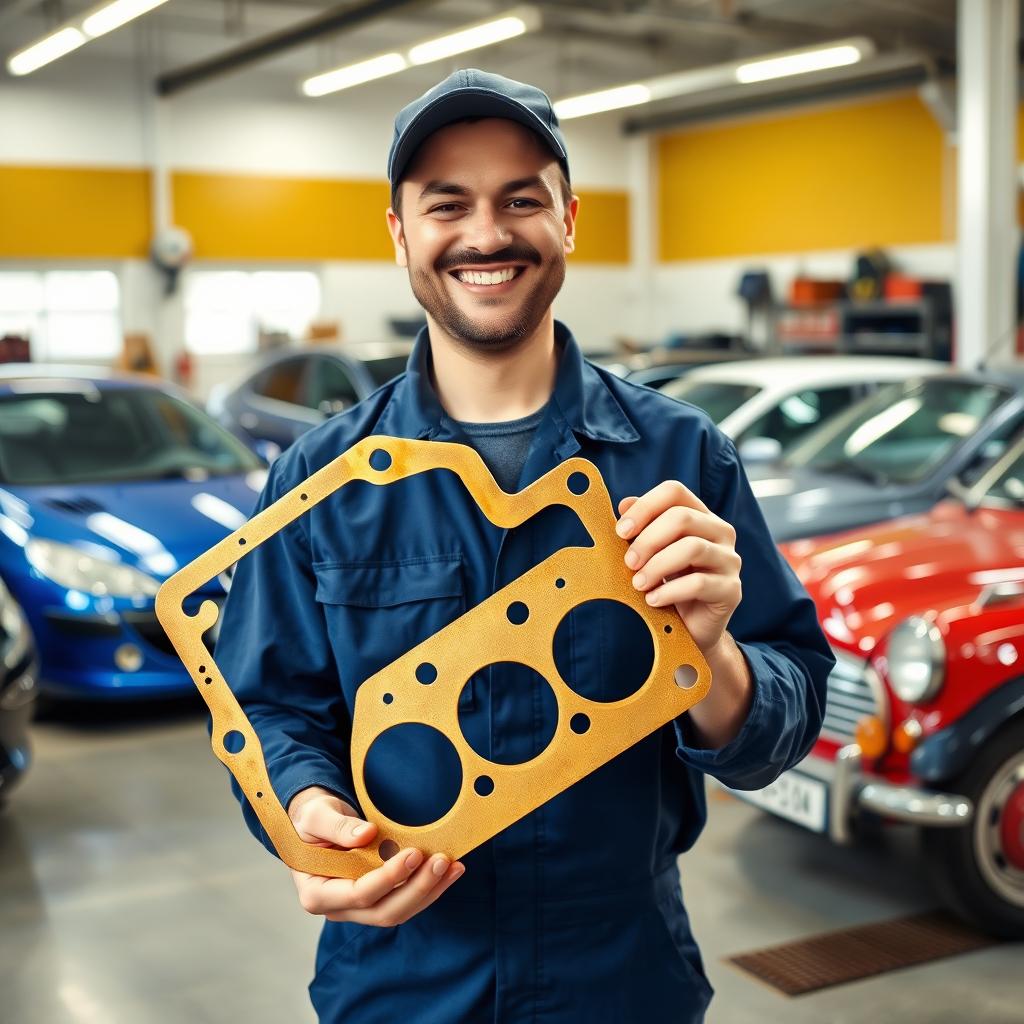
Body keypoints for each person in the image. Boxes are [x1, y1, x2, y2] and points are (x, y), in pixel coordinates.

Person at [216, 68, 833, 1024]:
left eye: (520, 200)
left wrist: (712, 657)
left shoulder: (679, 458)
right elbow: (268, 712)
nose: (486, 234)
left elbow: (780, 725)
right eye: (447, 204)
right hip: (400, 980)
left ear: (570, 220)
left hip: (622, 980)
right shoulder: (319, 481)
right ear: (400, 234)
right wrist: (309, 820)